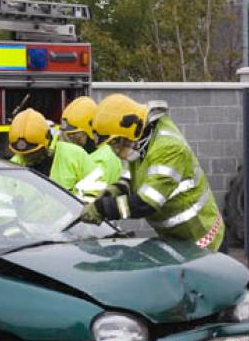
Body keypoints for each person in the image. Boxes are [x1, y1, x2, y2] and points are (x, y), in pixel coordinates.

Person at [79, 94, 226, 252]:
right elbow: (133, 178)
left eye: (115, 142)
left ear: (130, 131)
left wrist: (103, 208)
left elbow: (147, 203)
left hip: (202, 239)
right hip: (177, 240)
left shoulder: (168, 148)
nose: (115, 151)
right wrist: (114, 190)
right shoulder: (141, 142)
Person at [8, 108, 96, 192]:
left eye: (33, 153)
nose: (28, 158)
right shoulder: (13, 166)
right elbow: (3, 196)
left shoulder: (75, 155)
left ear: (48, 140)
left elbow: (95, 189)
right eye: (23, 154)